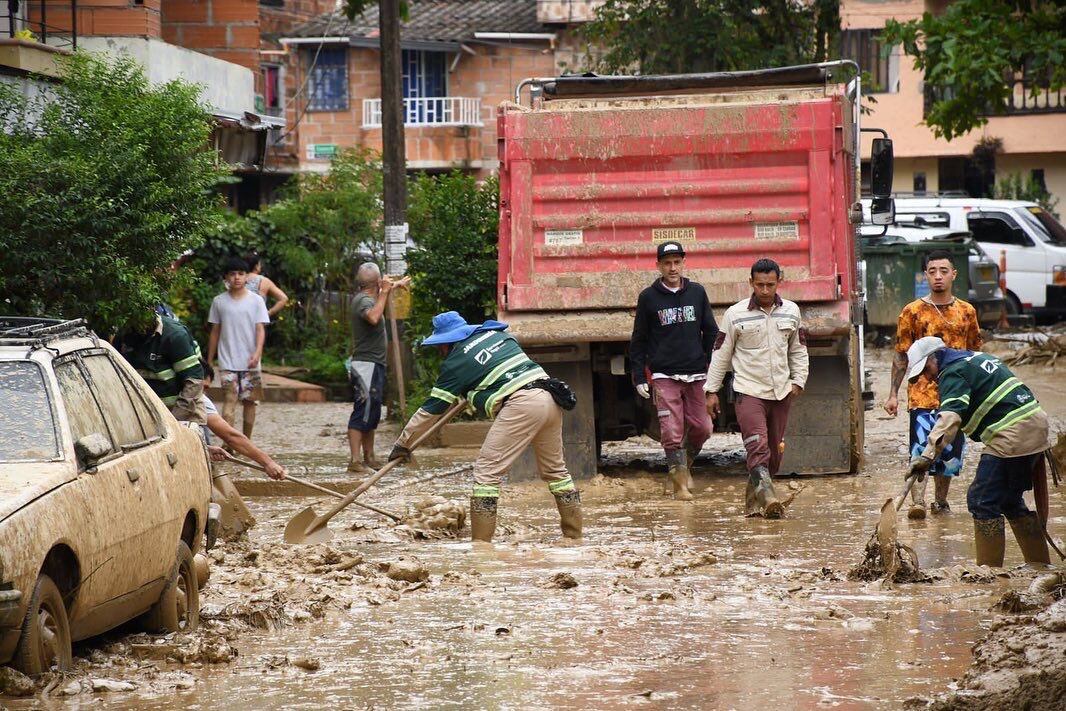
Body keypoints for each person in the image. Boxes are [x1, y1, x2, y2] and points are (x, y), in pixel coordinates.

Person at [388, 311, 581, 543]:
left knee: (486, 474)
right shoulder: (499, 335)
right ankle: (574, 537)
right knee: (556, 471)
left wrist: (403, 443)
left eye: (440, 346)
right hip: (550, 398)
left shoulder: (455, 363)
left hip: (521, 405)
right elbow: (498, 370)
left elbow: (431, 410)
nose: (440, 351)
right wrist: (473, 390)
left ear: (447, 343)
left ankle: (481, 547)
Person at [905, 336, 1052, 567]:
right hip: (1034, 426)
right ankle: (1040, 566)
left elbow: (950, 417)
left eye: (926, 370)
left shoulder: (953, 372)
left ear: (934, 358)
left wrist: (926, 456)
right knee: (1010, 501)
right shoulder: (974, 358)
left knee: (981, 499)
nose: (928, 377)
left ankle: (989, 574)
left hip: (1012, 432)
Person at [705, 259, 808, 518]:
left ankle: (753, 505)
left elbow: (798, 349)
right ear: (751, 282)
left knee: (774, 455)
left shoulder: (792, 312)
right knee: (757, 446)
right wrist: (711, 391)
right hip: (748, 391)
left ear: (778, 282)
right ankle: (770, 499)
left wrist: (798, 381)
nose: (764, 290)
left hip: (781, 392)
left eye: (770, 285)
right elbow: (721, 353)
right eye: (759, 284)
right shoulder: (735, 314)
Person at [884, 249, 982, 519]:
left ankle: (941, 501)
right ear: (925, 275)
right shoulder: (912, 311)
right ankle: (918, 502)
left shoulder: (967, 312)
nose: (938, 276)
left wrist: (977, 393)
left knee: (949, 451)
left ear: (954, 274)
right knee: (921, 446)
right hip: (922, 392)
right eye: (932, 271)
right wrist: (892, 394)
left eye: (943, 271)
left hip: (957, 394)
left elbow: (975, 353)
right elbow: (901, 355)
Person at [629, 240, 718, 501]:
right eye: (667, 263)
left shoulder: (697, 293)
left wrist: (712, 368)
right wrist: (639, 376)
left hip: (697, 374)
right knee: (671, 430)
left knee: (703, 427)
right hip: (664, 375)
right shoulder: (648, 297)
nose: (672, 268)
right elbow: (639, 339)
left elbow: (711, 332)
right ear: (658, 265)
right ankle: (680, 486)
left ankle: (684, 464)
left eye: (677, 262)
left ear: (683, 263)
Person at [346, 263, 408, 474]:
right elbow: (373, 317)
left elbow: (380, 295)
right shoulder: (364, 301)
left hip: (374, 364)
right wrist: (385, 292)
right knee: (362, 411)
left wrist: (394, 286)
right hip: (366, 365)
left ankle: (369, 457)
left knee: (372, 413)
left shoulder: (371, 296)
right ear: (377, 282)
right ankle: (355, 461)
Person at [207, 257, 270, 441]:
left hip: (251, 361)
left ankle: (246, 442)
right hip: (227, 361)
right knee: (229, 400)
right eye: (232, 274)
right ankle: (230, 443)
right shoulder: (219, 302)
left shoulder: (257, 301)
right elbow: (215, 331)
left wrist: (257, 353)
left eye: (241, 274)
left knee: (250, 402)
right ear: (226, 277)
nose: (237, 278)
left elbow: (260, 329)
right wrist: (209, 360)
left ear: (246, 277)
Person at [117, 311, 206, 425]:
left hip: (182, 416)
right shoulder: (125, 333)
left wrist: (174, 422)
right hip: (148, 418)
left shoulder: (174, 335)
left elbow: (194, 381)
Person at [199, 363, 286, 480]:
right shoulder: (198, 399)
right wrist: (268, 463)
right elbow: (230, 436)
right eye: (203, 387)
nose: (203, 393)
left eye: (206, 389)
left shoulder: (197, 398)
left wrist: (205, 449)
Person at [244, 254, 289, 318]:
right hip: (257, 320)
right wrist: (269, 313)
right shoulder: (264, 281)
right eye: (259, 264)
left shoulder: (237, 279)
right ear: (256, 266)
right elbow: (283, 298)